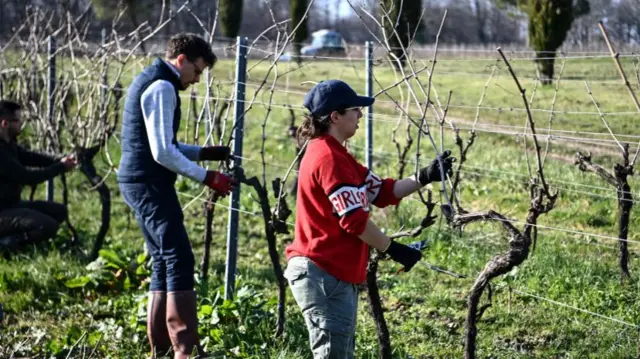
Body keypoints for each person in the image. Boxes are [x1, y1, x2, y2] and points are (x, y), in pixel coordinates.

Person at [284, 80, 455, 359]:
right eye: (355, 109)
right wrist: (394, 249)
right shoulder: (329, 158)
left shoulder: (336, 153)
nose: (360, 115)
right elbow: (355, 221)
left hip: (330, 272)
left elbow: (381, 191)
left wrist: (424, 176)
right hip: (323, 273)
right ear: (335, 116)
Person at [117, 33, 235, 359]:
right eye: (196, 71)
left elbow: (162, 144)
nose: (196, 80)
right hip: (149, 184)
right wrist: (208, 176)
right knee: (179, 257)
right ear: (181, 59)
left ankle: (164, 350)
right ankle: (186, 351)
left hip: (140, 181)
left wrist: (204, 153)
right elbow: (162, 152)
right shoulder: (162, 87)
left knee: (163, 259)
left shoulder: (154, 80)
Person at [0, 100, 77, 253]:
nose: (21, 124)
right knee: (46, 225)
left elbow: (30, 157)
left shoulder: (8, 143)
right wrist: (60, 167)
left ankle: (14, 240)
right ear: (4, 123)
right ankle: (5, 245)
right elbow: (27, 177)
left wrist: (60, 159)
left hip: (10, 205)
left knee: (59, 211)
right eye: (17, 120)